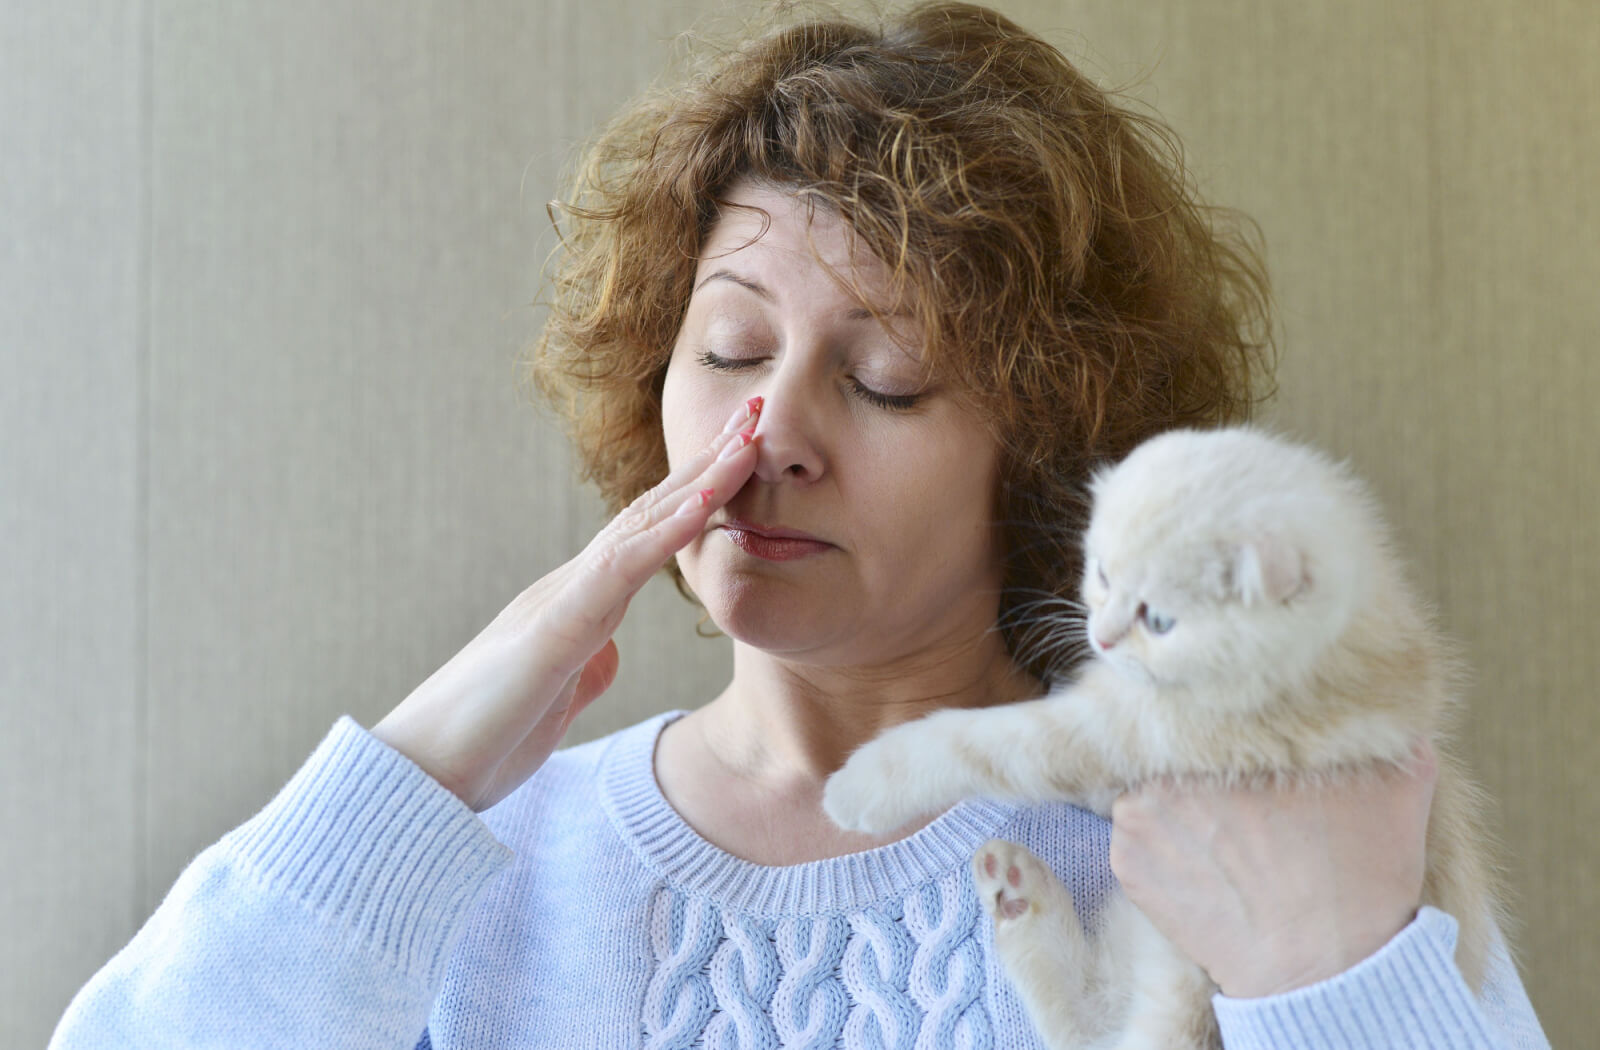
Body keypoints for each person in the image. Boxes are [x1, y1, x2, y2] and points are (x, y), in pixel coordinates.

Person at [51, 3, 1549, 1048]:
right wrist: (420, 770)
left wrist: (1327, 972)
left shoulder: (1225, 840)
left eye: (887, 379)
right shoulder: (473, 865)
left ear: (1042, 448)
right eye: (729, 348)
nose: (773, 433)